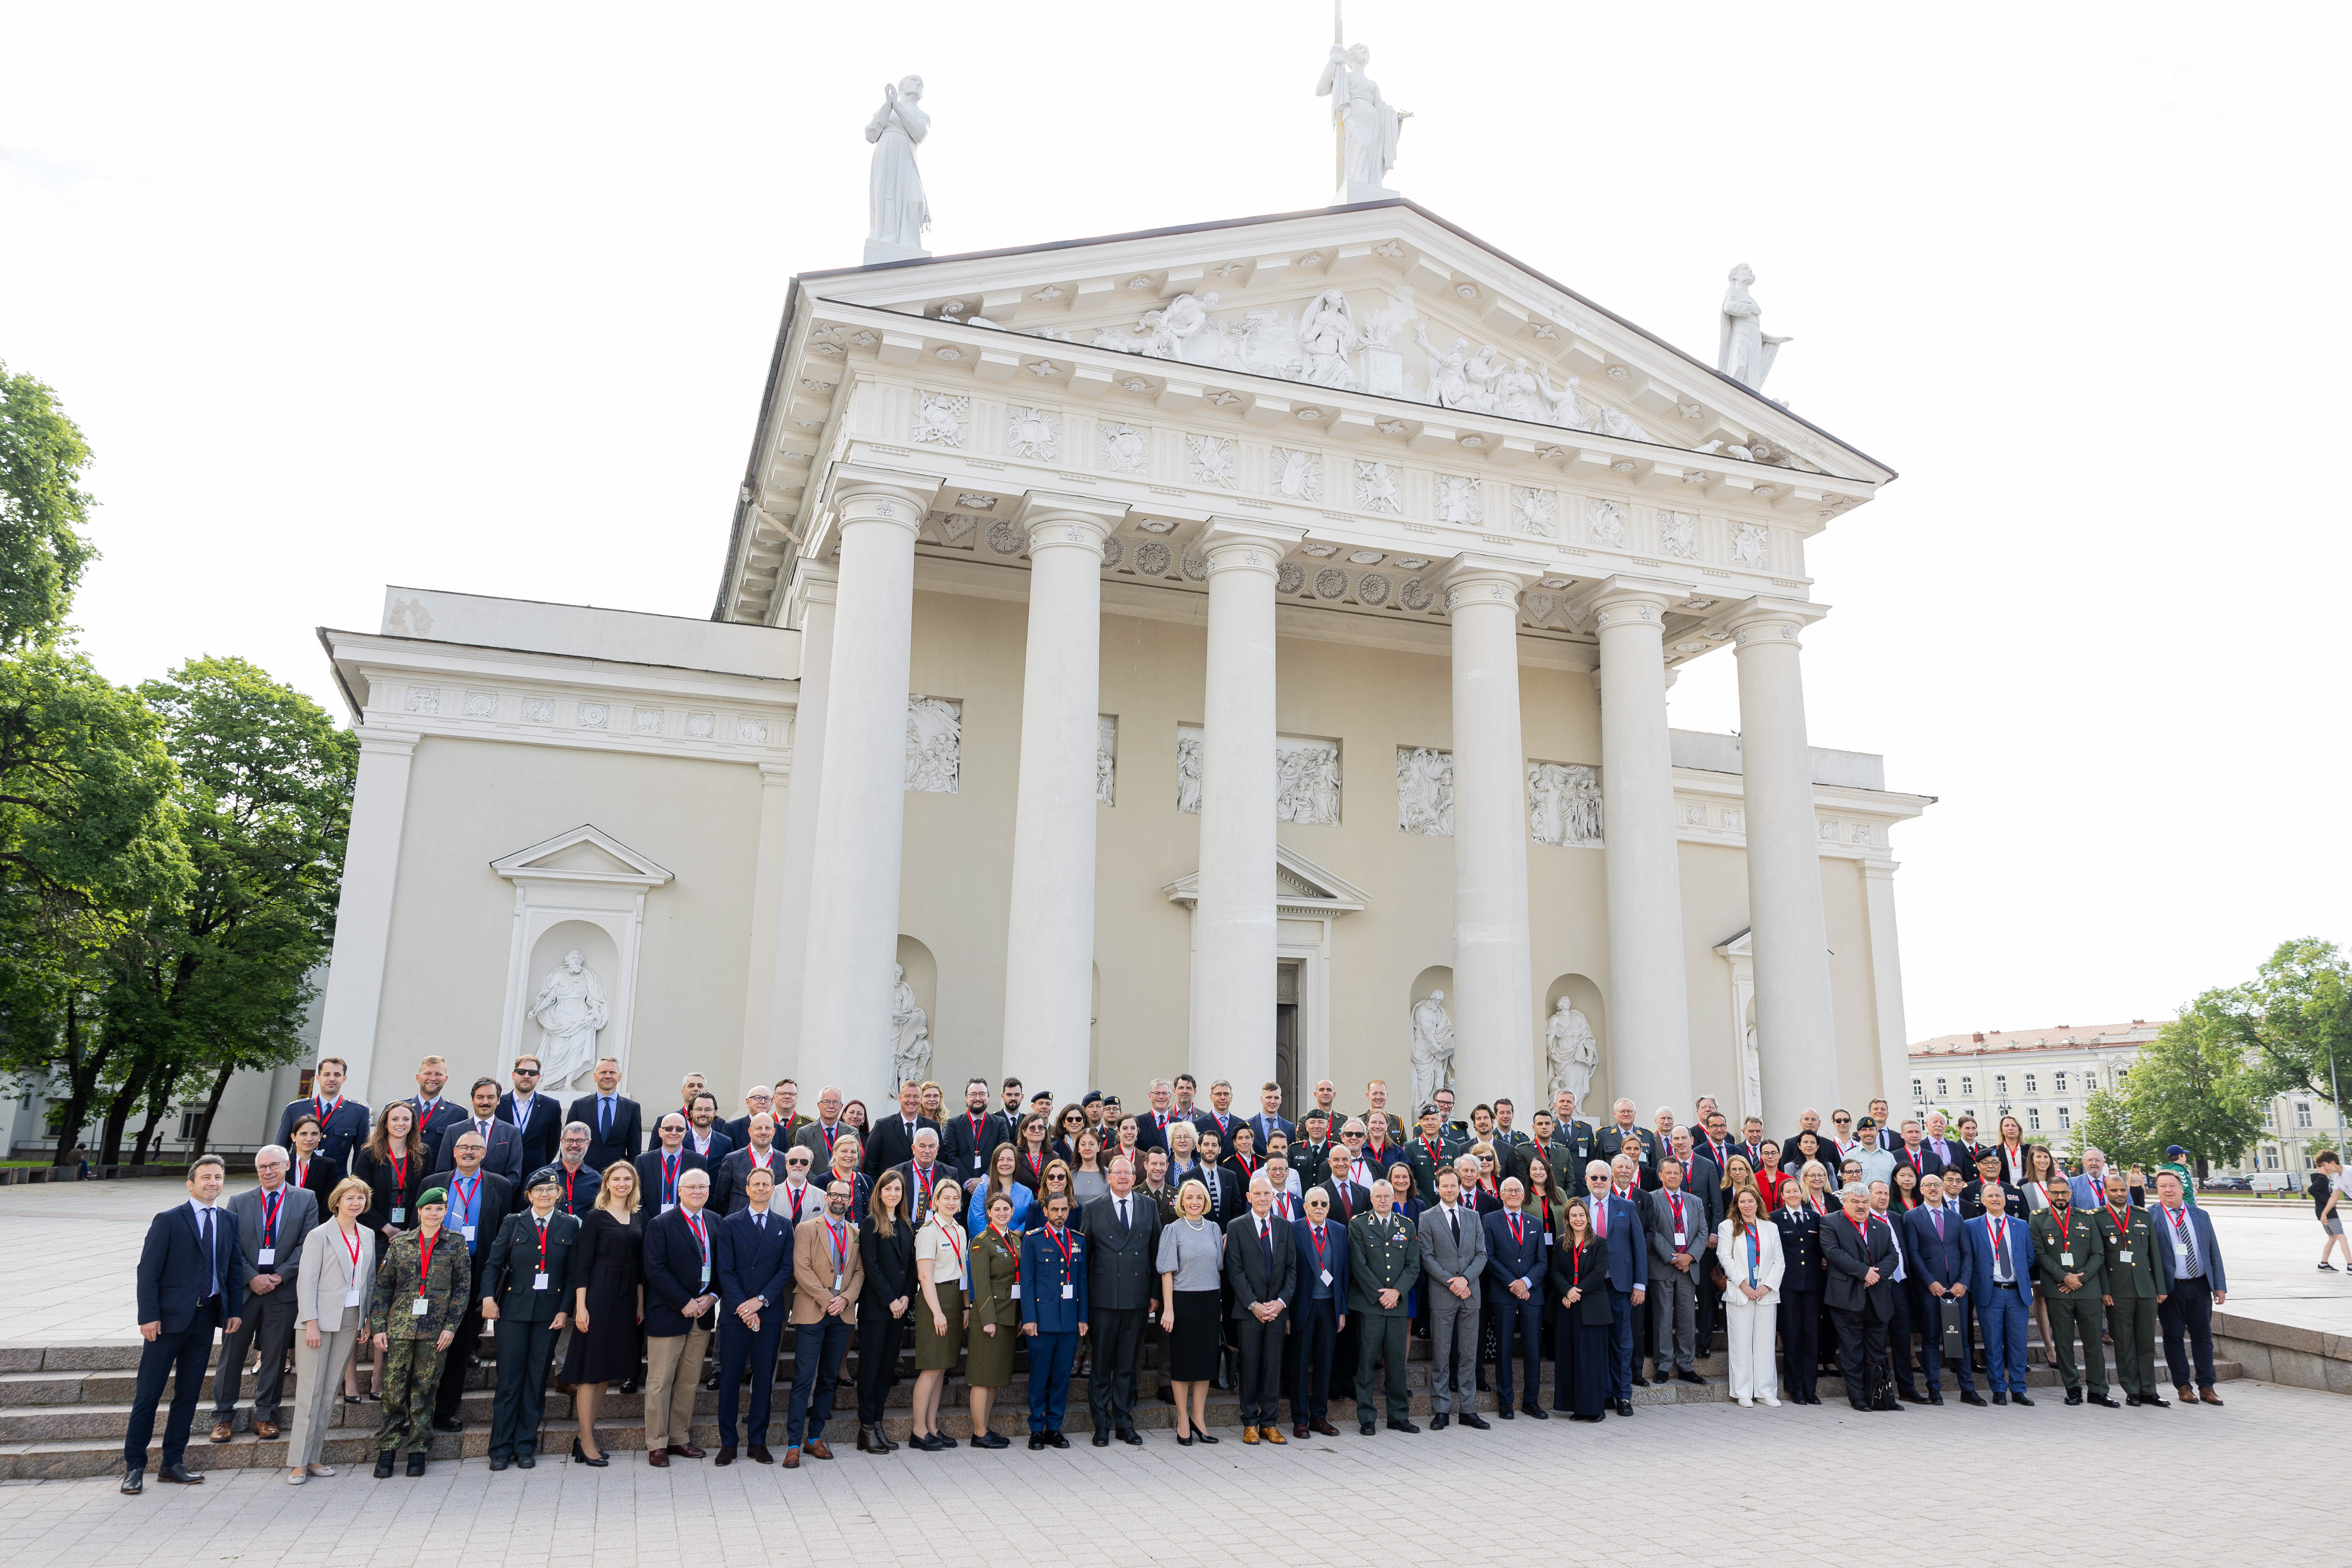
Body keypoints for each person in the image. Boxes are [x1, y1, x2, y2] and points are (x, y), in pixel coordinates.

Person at [123, 1156, 248, 1494]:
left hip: (205, 1319)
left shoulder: (228, 1221)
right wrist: (148, 1316)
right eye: (206, 1177)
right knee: (148, 1396)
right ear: (190, 1183)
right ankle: (134, 1466)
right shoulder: (168, 1221)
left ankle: (172, 1463)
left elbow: (233, 1270)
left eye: (218, 1178)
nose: (213, 1183)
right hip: (165, 1322)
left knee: (188, 1396)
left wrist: (232, 1311)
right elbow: (147, 1272)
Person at [211, 1145, 315, 1445]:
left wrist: (280, 1275)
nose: (267, 1172)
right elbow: (228, 1245)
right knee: (231, 1356)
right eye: (261, 1168)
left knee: (274, 1356)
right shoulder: (239, 1201)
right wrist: (252, 1277)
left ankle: (265, 1416)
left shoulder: (305, 1199)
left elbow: (307, 1243)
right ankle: (222, 1418)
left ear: (286, 1165)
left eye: (273, 1166)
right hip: (245, 1292)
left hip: (282, 1292)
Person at [480, 1166, 582, 1468]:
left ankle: (525, 1446)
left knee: (537, 1380)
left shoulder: (569, 1225)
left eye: (551, 1190)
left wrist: (565, 1310)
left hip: (549, 1314)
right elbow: (494, 1264)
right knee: (509, 1380)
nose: (545, 1194)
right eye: (539, 1190)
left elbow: (572, 1273)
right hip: (512, 1311)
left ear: (559, 1194)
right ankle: (499, 1448)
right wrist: (488, 1299)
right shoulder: (514, 1223)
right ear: (529, 1195)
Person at [366, 1185, 468, 1477]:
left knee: (425, 1390)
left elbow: (462, 1290)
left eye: (440, 1209)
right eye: (429, 1209)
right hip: (400, 1327)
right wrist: (379, 1328)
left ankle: (418, 1450)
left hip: (435, 1332)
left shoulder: (456, 1244)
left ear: (445, 1212)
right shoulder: (401, 1244)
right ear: (420, 1211)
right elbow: (383, 1288)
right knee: (394, 1391)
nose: (434, 1214)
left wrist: (451, 1327)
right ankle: (387, 1449)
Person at [286, 1176, 376, 1483]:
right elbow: (306, 1282)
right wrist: (310, 1322)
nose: (356, 1203)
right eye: (350, 1198)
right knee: (309, 1393)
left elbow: (370, 1281)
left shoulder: (367, 1234)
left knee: (327, 1394)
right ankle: (298, 1462)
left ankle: (314, 1458)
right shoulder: (319, 1235)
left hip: (351, 1319)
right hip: (319, 1321)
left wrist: (367, 1319)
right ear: (337, 1202)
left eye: (361, 1199)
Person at [561, 1160, 645, 1465]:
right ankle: (585, 1440)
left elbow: (639, 1266)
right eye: (617, 1179)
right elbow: (581, 1266)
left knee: (605, 1373)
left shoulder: (638, 1217)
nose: (622, 1184)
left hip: (624, 1301)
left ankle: (586, 1436)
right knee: (590, 1371)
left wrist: (639, 1303)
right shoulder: (595, 1217)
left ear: (633, 1184)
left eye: (627, 1179)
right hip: (598, 1296)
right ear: (607, 1183)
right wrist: (580, 1307)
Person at [708, 1163, 791, 1464]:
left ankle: (758, 1442)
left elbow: (785, 1269)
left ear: (772, 1189)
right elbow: (725, 1270)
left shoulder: (784, 1224)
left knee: (763, 1379)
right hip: (735, 1313)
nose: (760, 1189)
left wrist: (760, 1301)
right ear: (747, 1189)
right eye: (755, 1185)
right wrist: (743, 1307)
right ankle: (728, 1443)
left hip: (768, 1314)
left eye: (765, 1185)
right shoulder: (730, 1224)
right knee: (729, 1379)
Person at [640, 1167, 719, 1466]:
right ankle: (657, 1443)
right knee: (660, 1382)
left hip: (702, 1314)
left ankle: (679, 1437)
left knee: (688, 1381)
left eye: (703, 1187)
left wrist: (713, 1296)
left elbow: (722, 1265)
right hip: (670, 1313)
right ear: (680, 1191)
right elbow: (655, 1269)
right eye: (692, 1187)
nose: (698, 1192)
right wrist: (683, 1301)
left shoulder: (715, 1221)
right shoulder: (661, 1224)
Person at [1079, 1154, 1157, 1446]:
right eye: (1117, 1173)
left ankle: (1125, 1422)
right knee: (1100, 1365)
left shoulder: (1148, 1206)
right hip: (1102, 1299)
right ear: (1108, 1178)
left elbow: (1155, 1252)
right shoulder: (1092, 1208)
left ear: (1135, 1178)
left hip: (1137, 1298)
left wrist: (1154, 1294)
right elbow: (1083, 1259)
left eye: (1128, 1173)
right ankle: (1101, 1424)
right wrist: (1083, 1302)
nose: (1123, 1177)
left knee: (1127, 1364)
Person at [2030, 1169, 2113, 1407]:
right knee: (2064, 1343)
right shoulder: (2037, 1218)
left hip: (2087, 1289)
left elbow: (2099, 1253)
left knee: (2094, 1342)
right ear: (2048, 1194)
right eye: (2055, 1193)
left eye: (2064, 1192)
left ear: (2071, 1193)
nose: (2060, 1197)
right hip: (2058, 1289)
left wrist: (2081, 1278)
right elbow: (2040, 1254)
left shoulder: (2086, 1217)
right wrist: (2064, 1277)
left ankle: (2098, 1390)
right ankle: (2073, 1388)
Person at [1225, 1173, 1296, 1443]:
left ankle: (1269, 1423)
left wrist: (1280, 1303)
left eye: (1267, 1194)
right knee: (1251, 1365)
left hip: (1277, 1311)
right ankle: (1250, 1423)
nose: (1263, 1198)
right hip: (1249, 1311)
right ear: (1249, 1197)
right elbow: (1235, 1270)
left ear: (1273, 1197)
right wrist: (1254, 1305)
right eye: (1258, 1194)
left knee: (1272, 1366)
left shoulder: (1284, 1227)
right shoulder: (1236, 1227)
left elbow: (1291, 1269)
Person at [1348, 1177, 1420, 1435]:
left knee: (1396, 1362)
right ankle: (1367, 1417)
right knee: (1366, 1362)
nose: (1382, 1201)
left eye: (1386, 1197)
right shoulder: (1358, 1225)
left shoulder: (1407, 1226)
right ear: (1371, 1199)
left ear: (1394, 1198)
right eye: (1378, 1197)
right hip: (1370, 1304)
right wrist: (1381, 1295)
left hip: (1397, 1305)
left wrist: (1397, 1292)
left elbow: (1414, 1266)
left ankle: (1399, 1416)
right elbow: (1358, 1265)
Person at [1417, 1166, 1486, 1430]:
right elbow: (1427, 1257)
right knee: (1442, 1354)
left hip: (1470, 1294)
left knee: (1468, 1354)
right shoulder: (1427, 1217)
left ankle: (1468, 1409)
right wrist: (1453, 1282)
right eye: (1444, 1186)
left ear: (1460, 1187)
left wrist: (1465, 1280)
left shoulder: (1473, 1216)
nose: (1449, 1190)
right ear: (1437, 1188)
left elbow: (1481, 1254)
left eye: (1453, 1186)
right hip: (1443, 1295)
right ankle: (1441, 1410)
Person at [2150, 1169, 2228, 1405]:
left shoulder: (2200, 1215)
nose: (2168, 1191)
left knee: (2203, 1337)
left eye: (2172, 1186)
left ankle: (2207, 1386)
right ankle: (2183, 1386)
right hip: (2169, 1288)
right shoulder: (2149, 1216)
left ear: (2182, 1188)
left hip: (2199, 1285)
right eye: (2162, 1187)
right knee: (2173, 1338)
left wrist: (2220, 1285)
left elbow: (2213, 1250)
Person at [1820, 1181, 1898, 1412]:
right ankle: (1858, 1398)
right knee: (1851, 1350)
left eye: (1865, 1202)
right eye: (1856, 1202)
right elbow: (1833, 1254)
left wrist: (1876, 1275)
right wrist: (1864, 1272)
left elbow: (1893, 1256)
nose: (1861, 1207)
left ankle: (1879, 1397)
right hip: (1847, 1298)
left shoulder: (1881, 1227)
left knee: (1877, 1351)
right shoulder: (1830, 1222)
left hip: (1877, 1299)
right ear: (1844, 1201)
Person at [1901, 1173, 1978, 1405]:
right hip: (1930, 1289)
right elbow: (1913, 1254)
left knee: (1961, 1339)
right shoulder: (1912, 1217)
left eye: (1937, 1185)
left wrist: (1963, 1283)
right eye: (1928, 1185)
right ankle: (1934, 1388)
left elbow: (1966, 1253)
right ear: (1921, 1190)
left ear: (1944, 1188)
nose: (1933, 1188)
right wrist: (1930, 1282)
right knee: (1932, 1339)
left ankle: (1968, 1389)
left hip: (1957, 1289)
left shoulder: (1956, 1218)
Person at [1157, 1179, 1225, 1444]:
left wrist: (1218, 1305)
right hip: (1182, 1302)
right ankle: (1183, 1420)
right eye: (1189, 1198)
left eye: (1199, 1197)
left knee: (1205, 1364)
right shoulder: (1172, 1230)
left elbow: (1218, 1269)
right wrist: (1169, 1310)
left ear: (1205, 1201)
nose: (1194, 1202)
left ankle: (1199, 1418)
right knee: (1183, 1364)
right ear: (1181, 1202)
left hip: (1208, 1301)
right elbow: (1166, 1273)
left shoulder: (1214, 1229)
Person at [2093, 1171, 2167, 1407]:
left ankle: (2149, 1390)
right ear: (2106, 1193)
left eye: (2123, 1190)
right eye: (2114, 1190)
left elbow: (2154, 1253)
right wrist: (2105, 1290)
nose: (2119, 1194)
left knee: (2146, 1343)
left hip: (2145, 1288)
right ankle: (2132, 1390)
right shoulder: (2097, 1218)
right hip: (2118, 1290)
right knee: (2124, 1343)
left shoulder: (2142, 1215)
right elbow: (2100, 1259)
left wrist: (2160, 1287)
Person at [1021, 1190, 1088, 1449]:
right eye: (1055, 1210)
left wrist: (1083, 1317)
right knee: (1039, 1376)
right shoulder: (1034, 1240)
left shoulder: (1078, 1240)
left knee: (1062, 1376)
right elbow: (1026, 1281)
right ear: (1046, 1212)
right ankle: (1037, 1428)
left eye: (1064, 1210)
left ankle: (1055, 1428)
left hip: (1069, 1322)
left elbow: (1082, 1281)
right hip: (1042, 1321)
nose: (1060, 1215)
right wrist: (1029, 1318)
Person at [906, 1178, 967, 1453]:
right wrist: (938, 1313)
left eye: (956, 1198)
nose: (951, 1202)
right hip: (935, 1300)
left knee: (942, 1368)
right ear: (936, 1201)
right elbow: (924, 1275)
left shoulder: (960, 1230)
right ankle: (918, 1430)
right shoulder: (929, 1232)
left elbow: (963, 1272)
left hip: (955, 1298)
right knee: (931, 1368)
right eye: (946, 1198)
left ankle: (932, 1427)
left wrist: (966, 1306)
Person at [856, 1168, 915, 1452]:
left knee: (886, 1370)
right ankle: (865, 1428)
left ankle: (877, 1424)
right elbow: (871, 1266)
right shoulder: (870, 1224)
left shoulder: (906, 1224)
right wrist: (891, 1299)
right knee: (869, 1369)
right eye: (888, 1189)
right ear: (879, 1193)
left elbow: (912, 1268)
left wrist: (905, 1298)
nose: (893, 1194)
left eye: (898, 1190)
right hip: (876, 1309)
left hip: (899, 1310)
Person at [1961, 1179, 2035, 1405]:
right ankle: (1999, 1389)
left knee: (2018, 1342)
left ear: (2005, 1200)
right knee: (1992, 1343)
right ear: (1982, 1201)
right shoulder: (1971, 1225)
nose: (1995, 1199)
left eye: (1999, 1196)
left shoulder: (2020, 1225)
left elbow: (2029, 1257)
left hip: (2016, 1292)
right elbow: (1968, 1257)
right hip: (1989, 1292)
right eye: (1990, 1196)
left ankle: (2019, 1389)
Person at [1584, 1157, 1647, 1415]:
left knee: (1622, 1343)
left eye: (1604, 1178)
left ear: (1612, 1180)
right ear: (1586, 1181)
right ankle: (1604, 1393)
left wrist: (1640, 1284)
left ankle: (1623, 1396)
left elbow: (1639, 1248)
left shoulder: (1627, 1206)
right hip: (1590, 1288)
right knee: (1597, 1342)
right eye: (1594, 1178)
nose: (1599, 1183)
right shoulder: (1578, 1207)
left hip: (1620, 1286)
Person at [1483, 1175, 1546, 1419]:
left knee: (1532, 1350)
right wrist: (1514, 1284)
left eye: (1517, 1190)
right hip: (1504, 1293)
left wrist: (1526, 1283)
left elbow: (1542, 1261)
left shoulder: (1535, 1222)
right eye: (1508, 1190)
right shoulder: (1490, 1221)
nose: (1513, 1194)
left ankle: (1532, 1401)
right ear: (1501, 1194)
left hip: (1532, 1294)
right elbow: (1490, 1257)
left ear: (1523, 1194)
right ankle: (1505, 1402)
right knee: (1505, 1349)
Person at [1288, 1186, 1348, 1440]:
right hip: (1303, 1306)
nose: (1319, 1209)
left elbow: (1344, 1273)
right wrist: (1288, 1313)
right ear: (1305, 1207)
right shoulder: (1293, 1230)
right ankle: (1301, 1419)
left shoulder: (1339, 1230)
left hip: (1329, 1307)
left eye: (1324, 1204)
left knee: (1325, 1362)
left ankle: (1319, 1417)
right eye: (1314, 1204)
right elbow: (1288, 1271)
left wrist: (1342, 1310)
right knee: (1301, 1364)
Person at [1644, 1155, 1707, 1386]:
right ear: (1660, 1176)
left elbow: (1702, 1232)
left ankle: (1685, 1365)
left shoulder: (1695, 1201)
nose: (1673, 1176)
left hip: (1688, 1268)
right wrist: (1674, 1257)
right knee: (1662, 1317)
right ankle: (1663, 1365)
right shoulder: (1651, 1199)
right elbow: (1652, 1232)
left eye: (1677, 1173)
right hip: (1664, 1266)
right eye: (1668, 1173)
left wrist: (1689, 1257)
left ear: (1682, 1176)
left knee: (1688, 1318)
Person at [1716, 1186, 1782, 1406]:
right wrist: (1744, 1285)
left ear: (1758, 1204)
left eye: (1751, 1201)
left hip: (1765, 1294)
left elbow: (1779, 1262)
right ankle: (1743, 1392)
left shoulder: (1770, 1228)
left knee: (1765, 1344)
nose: (1747, 1205)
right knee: (1741, 1343)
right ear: (1737, 1204)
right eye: (1742, 1202)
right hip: (1740, 1293)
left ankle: (1765, 1391)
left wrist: (1767, 1287)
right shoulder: (1728, 1227)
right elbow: (1726, 1259)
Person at [964, 1191, 1020, 1448]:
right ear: (988, 1212)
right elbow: (981, 1284)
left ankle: (985, 1428)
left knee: (994, 1377)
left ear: (1012, 1212)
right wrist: (988, 1319)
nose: (1001, 1213)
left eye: (1006, 1210)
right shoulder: (982, 1241)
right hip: (990, 1317)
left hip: (1009, 1316)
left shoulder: (1015, 1240)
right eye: (996, 1209)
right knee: (982, 1377)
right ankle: (978, 1434)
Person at [1549, 1196, 1610, 1422]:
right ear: (1568, 1218)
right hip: (1568, 1309)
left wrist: (1576, 1292)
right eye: (1573, 1215)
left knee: (1591, 1360)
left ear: (1588, 1218)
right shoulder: (1560, 1243)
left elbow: (1598, 1273)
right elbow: (1554, 1271)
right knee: (1571, 1358)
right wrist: (1567, 1291)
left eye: (1582, 1215)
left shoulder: (1599, 1243)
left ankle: (1595, 1409)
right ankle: (1576, 1407)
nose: (1578, 1219)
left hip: (1592, 1308)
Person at [1770, 1167, 1825, 1404]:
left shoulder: (1814, 1218)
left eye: (1796, 1190)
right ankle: (1795, 1388)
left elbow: (1820, 1249)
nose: (1793, 1194)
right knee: (1792, 1336)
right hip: (1789, 1286)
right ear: (1782, 1196)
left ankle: (1810, 1388)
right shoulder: (1774, 1218)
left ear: (1802, 1192)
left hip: (1812, 1285)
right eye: (1788, 1191)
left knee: (1811, 1336)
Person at [275, 1056, 370, 1172]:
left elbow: (361, 1156)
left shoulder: (358, 1112)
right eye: (327, 1075)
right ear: (318, 1078)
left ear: (344, 1079)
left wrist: (357, 1185)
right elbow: (280, 1150)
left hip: (336, 1184)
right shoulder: (295, 1109)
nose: (332, 1079)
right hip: (299, 1181)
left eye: (337, 1075)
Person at [354, 1101, 430, 1243]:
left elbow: (426, 1195)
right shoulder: (369, 1155)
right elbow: (359, 1196)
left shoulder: (424, 1154)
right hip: (375, 1231)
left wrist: (413, 1228)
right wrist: (386, 1228)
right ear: (385, 1123)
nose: (401, 1123)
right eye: (395, 1119)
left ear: (413, 1123)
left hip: (413, 1232)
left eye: (406, 1119)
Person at [436, 1077, 526, 1186]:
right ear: (473, 1100)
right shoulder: (453, 1131)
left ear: (498, 1100)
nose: (485, 1102)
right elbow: (442, 1171)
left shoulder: (512, 1133)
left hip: (496, 1198)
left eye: (491, 1097)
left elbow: (514, 1175)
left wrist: (494, 1195)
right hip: (458, 1196)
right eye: (480, 1097)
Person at [567, 1058, 643, 1174]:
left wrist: (631, 1175)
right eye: (603, 1072)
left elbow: (635, 1149)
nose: (608, 1076)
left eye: (612, 1073)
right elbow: (569, 1142)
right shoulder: (579, 1106)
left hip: (617, 1176)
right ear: (595, 1077)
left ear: (620, 1077)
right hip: (582, 1173)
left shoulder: (632, 1108)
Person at [497, 1055, 565, 1171]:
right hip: (502, 1172)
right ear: (514, 1075)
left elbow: (553, 1145)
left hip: (535, 1174)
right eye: (522, 1072)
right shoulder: (498, 1104)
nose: (526, 1076)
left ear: (538, 1077)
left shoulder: (551, 1107)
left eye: (532, 1073)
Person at [635, 1113, 711, 1214]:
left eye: (679, 1129)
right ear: (660, 1132)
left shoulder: (698, 1161)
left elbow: (701, 1197)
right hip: (649, 1224)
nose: (674, 1133)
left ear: (685, 1133)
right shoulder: (643, 1161)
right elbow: (637, 1197)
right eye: (669, 1129)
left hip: (684, 1223)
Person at [862, 1080, 938, 1177]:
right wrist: (878, 1190)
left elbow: (940, 1161)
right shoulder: (882, 1126)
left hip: (923, 1189)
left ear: (921, 1099)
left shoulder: (933, 1127)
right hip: (890, 1188)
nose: (912, 1100)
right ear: (899, 1098)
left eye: (916, 1096)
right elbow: (870, 1163)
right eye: (907, 1096)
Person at [715, 1113, 782, 1215]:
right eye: (759, 1128)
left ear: (774, 1132)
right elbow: (721, 1199)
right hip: (738, 1224)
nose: (763, 1132)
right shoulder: (732, 1160)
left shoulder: (784, 1160)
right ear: (750, 1132)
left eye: (768, 1128)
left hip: (772, 1224)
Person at [405, 1056, 469, 1155]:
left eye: (438, 1074)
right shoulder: (400, 1109)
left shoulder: (458, 1114)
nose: (433, 1078)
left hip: (437, 1170)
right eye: (428, 1074)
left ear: (445, 1079)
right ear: (418, 1078)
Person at [286, 1116, 341, 1210]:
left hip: (316, 1221)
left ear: (320, 1137)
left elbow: (328, 1202)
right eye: (303, 1134)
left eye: (314, 1134)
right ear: (294, 1137)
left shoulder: (328, 1166)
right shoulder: (282, 1164)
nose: (309, 1139)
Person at [2312, 1150, 2346, 1271]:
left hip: (2325, 1213)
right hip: (2328, 1213)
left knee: (2334, 1238)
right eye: (2322, 1167)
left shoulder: (2348, 1172)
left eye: (2324, 1166)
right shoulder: (2330, 1179)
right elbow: (2333, 1197)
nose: (2324, 1169)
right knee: (2338, 1237)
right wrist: (2326, 1208)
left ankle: (2325, 1263)